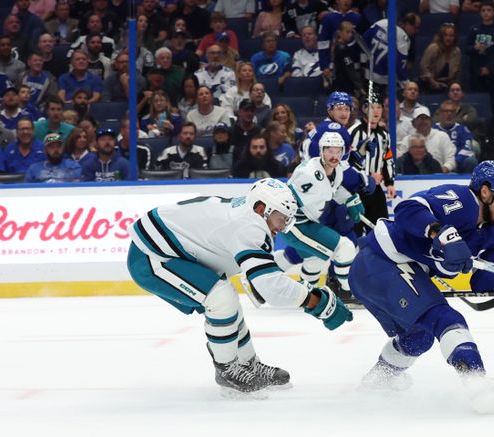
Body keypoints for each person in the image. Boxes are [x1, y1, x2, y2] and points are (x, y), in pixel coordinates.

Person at [348, 160, 494, 414]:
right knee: (445, 318)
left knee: (419, 336)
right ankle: (479, 388)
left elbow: (483, 280)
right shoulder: (462, 200)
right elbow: (407, 208)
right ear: (485, 191)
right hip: (380, 261)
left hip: (383, 274)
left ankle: (378, 380)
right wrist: (442, 233)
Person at [126, 177, 353, 396]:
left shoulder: (248, 214)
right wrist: (318, 302)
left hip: (170, 249)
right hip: (151, 257)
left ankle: (247, 364)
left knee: (227, 301)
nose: (283, 227)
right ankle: (227, 369)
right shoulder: (249, 227)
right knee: (221, 300)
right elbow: (270, 286)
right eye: (282, 217)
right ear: (262, 208)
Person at [278, 131, 362, 294]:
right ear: (321, 151)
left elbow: (332, 190)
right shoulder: (309, 174)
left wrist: (349, 199)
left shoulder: (336, 171)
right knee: (344, 248)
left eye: (338, 151)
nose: (334, 156)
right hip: (294, 224)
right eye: (330, 151)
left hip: (308, 222)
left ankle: (306, 293)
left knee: (316, 258)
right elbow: (289, 199)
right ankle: (348, 290)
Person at [348, 97, 395, 233]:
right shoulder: (354, 132)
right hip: (356, 189)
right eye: (372, 107)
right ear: (364, 109)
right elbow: (347, 162)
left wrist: (390, 182)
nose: (376, 111)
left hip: (376, 188)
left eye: (379, 107)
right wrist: (367, 176)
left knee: (380, 228)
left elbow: (388, 158)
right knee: (354, 229)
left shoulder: (384, 135)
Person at [465, 0, 494, 112]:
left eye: (489, 10)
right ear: (480, 13)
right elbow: (466, 49)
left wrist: (489, 68)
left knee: (493, 103)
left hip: (492, 73)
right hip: (475, 72)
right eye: (483, 10)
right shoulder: (474, 30)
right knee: (476, 102)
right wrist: (474, 48)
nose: (486, 13)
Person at [397, 106, 456, 173]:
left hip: (438, 175)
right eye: (419, 119)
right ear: (413, 123)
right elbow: (401, 162)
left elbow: (450, 161)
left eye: (425, 118)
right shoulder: (407, 139)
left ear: (431, 121)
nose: (423, 122)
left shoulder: (442, 136)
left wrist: (438, 173)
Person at [434, 99, 478, 173]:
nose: (449, 114)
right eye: (446, 111)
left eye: (452, 111)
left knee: (471, 161)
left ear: (455, 113)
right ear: (440, 113)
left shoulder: (462, 129)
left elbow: (467, 149)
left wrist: (454, 162)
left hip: (457, 163)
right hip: (437, 162)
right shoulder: (433, 129)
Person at [419, 22, 461, 94]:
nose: (448, 38)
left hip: (447, 86)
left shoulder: (456, 51)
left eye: (451, 36)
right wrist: (434, 83)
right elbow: (424, 67)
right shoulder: (433, 47)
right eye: (446, 35)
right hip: (429, 84)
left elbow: (456, 73)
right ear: (442, 36)